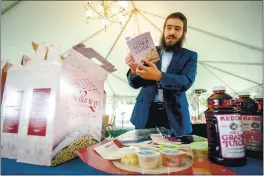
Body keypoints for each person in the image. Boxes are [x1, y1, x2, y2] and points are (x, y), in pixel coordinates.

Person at [125, 12, 198, 137]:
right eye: (168, 28)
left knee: (174, 154)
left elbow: (186, 81)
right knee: (143, 152)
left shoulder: (190, 56)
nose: (171, 32)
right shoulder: (149, 51)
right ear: (164, 30)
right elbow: (135, 83)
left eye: (177, 28)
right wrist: (133, 70)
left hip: (174, 116)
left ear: (184, 33)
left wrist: (159, 76)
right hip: (146, 114)